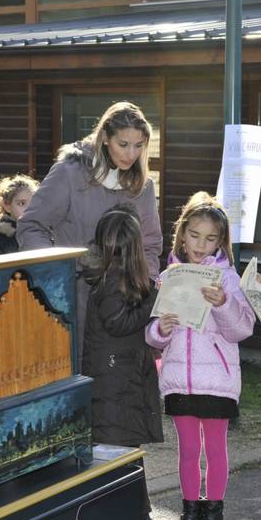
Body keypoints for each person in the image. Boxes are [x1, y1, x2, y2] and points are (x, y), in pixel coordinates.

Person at [145, 192, 255, 520]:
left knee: (217, 452)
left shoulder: (229, 279)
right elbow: (153, 334)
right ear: (182, 233)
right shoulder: (168, 276)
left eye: (211, 239)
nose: (201, 245)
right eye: (195, 235)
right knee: (188, 451)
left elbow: (241, 330)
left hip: (218, 382)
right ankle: (189, 516)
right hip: (179, 379)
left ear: (221, 242)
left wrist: (222, 304)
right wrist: (162, 329)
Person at [17, 101, 162, 354]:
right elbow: (31, 226)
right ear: (105, 138)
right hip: (75, 302)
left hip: (126, 309)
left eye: (139, 146)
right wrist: (55, 277)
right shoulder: (69, 173)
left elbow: (150, 244)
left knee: (123, 387)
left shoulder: (144, 186)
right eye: (124, 144)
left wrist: (142, 285)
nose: (131, 154)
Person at [81, 204, 164, 520]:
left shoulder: (108, 276)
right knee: (121, 458)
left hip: (119, 380)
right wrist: (154, 300)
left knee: (125, 457)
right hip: (115, 384)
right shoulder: (113, 281)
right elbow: (121, 323)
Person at [0, 174, 39, 256]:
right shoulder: (0, 239)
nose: (28, 209)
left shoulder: (42, 232)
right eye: (21, 203)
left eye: (33, 203)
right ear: (7, 206)